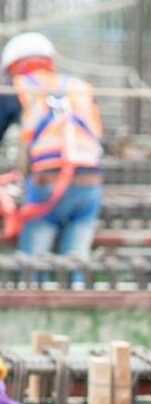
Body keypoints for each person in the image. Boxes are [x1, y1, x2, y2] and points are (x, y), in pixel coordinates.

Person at [0, 32, 104, 265]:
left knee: (33, 264)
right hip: (90, 182)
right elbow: (96, 135)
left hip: (48, 183)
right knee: (76, 260)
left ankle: (35, 284)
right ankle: (75, 285)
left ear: (13, 66)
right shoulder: (79, 88)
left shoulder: (16, 87)